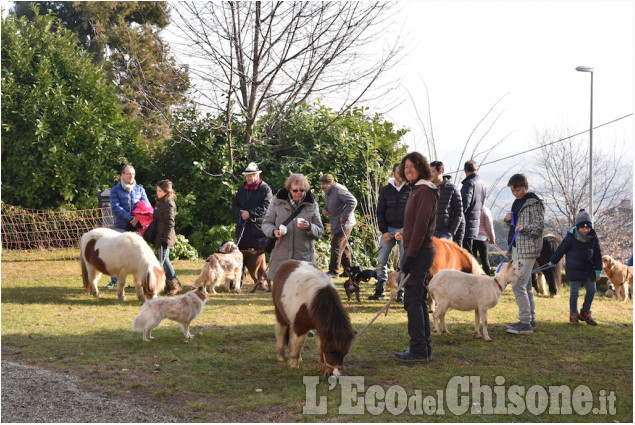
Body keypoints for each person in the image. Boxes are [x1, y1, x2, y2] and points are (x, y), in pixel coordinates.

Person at [393, 152, 439, 363]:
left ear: (421, 168)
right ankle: (421, 347)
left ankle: (419, 350)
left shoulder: (425, 191)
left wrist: (410, 256)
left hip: (419, 252)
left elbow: (421, 227)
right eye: (406, 166)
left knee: (414, 300)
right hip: (414, 250)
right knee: (417, 299)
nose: (408, 170)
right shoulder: (416, 190)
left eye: (412, 166)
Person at [262, 173, 324, 281]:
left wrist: (309, 227)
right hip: (281, 256)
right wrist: (273, 231)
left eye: (302, 190)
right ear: (289, 189)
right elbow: (266, 223)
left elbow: (320, 231)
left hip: (304, 258)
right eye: (295, 190)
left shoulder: (312, 204)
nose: (299, 193)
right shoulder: (276, 202)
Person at [504, 173, 545, 335]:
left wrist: (524, 228)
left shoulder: (534, 204)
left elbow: (539, 226)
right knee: (526, 286)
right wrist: (509, 221)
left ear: (526, 187)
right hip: (517, 249)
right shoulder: (517, 202)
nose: (515, 193)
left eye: (518, 190)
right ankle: (530, 320)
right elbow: (515, 227)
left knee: (518, 284)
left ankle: (525, 323)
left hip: (528, 250)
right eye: (513, 191)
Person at [548, 209, 602, 325]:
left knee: (592, 290)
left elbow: (598, 254)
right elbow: (560, 250)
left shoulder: (593, 237)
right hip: (574, 269)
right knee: (574, 293)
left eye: (588, 228)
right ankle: (573, 315)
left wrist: (598, 270)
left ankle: (585, 312)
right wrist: (553, 261)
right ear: (578, 227)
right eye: (583, 227)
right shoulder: (570, 237)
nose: (585, 230)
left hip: (589, 269)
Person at [369, 163, 411, 301]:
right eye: (398, 171)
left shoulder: (411, 189)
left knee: (404, 263)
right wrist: (384, 231)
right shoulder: (386, 190)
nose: (401, 174)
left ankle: (401, 292)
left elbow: (414, 212)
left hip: (405, 231)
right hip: (388, 230)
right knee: (381, 260)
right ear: (393, 173)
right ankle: (380, 290)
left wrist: (407, 228)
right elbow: (380, 211)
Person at [108, 164, 149, 289]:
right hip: (121, 226)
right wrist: (130, 218)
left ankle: (142, 281)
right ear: (122, 175)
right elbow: (115, 208)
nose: (131, 176)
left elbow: (146, 206)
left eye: (133, 174)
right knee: (117, 255)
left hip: (137, 228)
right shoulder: (115, 190)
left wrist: (138, 219)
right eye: (128, 173)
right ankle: (114, 281)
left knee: (139, 254)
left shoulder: (140, 189)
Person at [320, 174, 357, 278]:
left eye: (324, 184)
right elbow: (328, 203)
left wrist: (344, 216)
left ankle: (333, 271)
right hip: (336, 222)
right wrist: (325, 208)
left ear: (331, 183)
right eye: (321, 184)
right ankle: (348, 271)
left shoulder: (339, 189)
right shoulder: (328, 191)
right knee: (343, 246)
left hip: (345, 223)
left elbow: (353, 201)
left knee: (336, 244)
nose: (322, 186)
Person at [232, 162, 272, 250]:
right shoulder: (242, 189)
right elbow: (235, 204)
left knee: (258, 259)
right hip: (243, 228)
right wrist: (241, 214)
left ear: (257, 175)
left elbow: (266, 207)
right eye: (247, 176)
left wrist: (249, 213)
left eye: (250, 175)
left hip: (257, 229)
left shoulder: (265, 189)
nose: (248, 178)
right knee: (240, 257)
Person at [154, 179, 182, 296]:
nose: (157, 193)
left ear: (166, 191)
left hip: (165, 237)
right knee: (162, 260)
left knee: (165, 260)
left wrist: (165, 239)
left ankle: (175, 284)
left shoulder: (169, 204)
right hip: (159, 236)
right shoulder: (161, 202)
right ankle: (167, 284)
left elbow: (170, 224)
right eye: (157, 190)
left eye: (160, 191)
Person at [430, 161, 463, 242]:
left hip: (445, 233)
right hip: (429, 232)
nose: (430, 174)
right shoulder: (427, 188)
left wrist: (451, 232)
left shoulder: (452, 189)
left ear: (441, 171)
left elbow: (459, 212)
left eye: (432, 172)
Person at [460, 159, 486, 254]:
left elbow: (464, 204)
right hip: (475, 223)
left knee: (466, 254)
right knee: (470, 253)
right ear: (477, 169)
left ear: (465, 170)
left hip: (466, 224)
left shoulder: (469, 184)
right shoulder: (482, 183)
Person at [473, 204, 495, 275]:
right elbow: (489, 226)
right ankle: (487, 278)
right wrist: (492, 238)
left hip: (472, 237)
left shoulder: (473, 208)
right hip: (482, 239)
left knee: (473, 261)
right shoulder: (485, 210)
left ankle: (474, 277)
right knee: (485, 260)